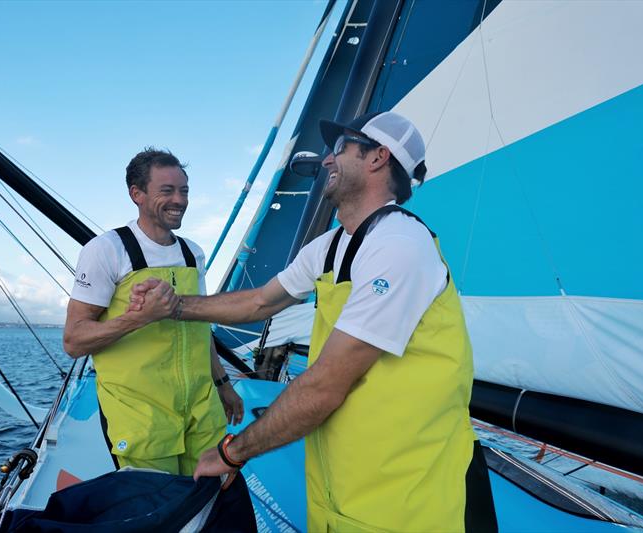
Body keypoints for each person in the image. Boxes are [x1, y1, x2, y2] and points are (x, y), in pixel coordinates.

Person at [132, 112, 497, 531]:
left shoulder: (399, 245)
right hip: (344, 489)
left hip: (407, 497)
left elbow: (324, 386)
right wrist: (175, 306)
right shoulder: (334, 243)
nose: (326, 160)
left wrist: (233, 451)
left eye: (340, 148)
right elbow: (258, 302)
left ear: (378, 157)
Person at [63, 147, 243, 476]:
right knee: (158, 509)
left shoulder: (193, 253)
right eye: (167, 190)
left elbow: (200, 328)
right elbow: (74, 340)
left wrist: (223, 384)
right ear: (137, 194)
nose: (179, 200)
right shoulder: (107, 250)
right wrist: (140, 317)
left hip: (201, 410)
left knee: (211, 497)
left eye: (184, 190)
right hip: (141, 415)